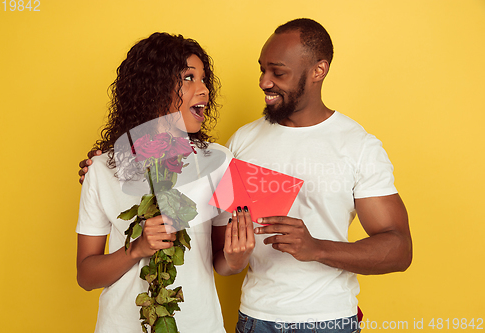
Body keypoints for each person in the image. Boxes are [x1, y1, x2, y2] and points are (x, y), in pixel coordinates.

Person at [80, 19, 412, 333]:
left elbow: (398, 247)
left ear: (318, 71)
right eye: (262, 70)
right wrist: (111, 162)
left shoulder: (358, 146)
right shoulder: (238, 146)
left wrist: (317, 248)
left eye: (277, 72)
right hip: (255, 319)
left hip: (328, 318)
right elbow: (221, 253)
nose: (264, 82)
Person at [76, 32, 254, 333]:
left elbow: (221, 264)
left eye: (203, 78)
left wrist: (238, 259)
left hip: (200, 325)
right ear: (153, 88)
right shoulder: (103, 169)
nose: (204, 89)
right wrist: (136, 249)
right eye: (188, 77)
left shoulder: (220, 162)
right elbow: (86, 276)